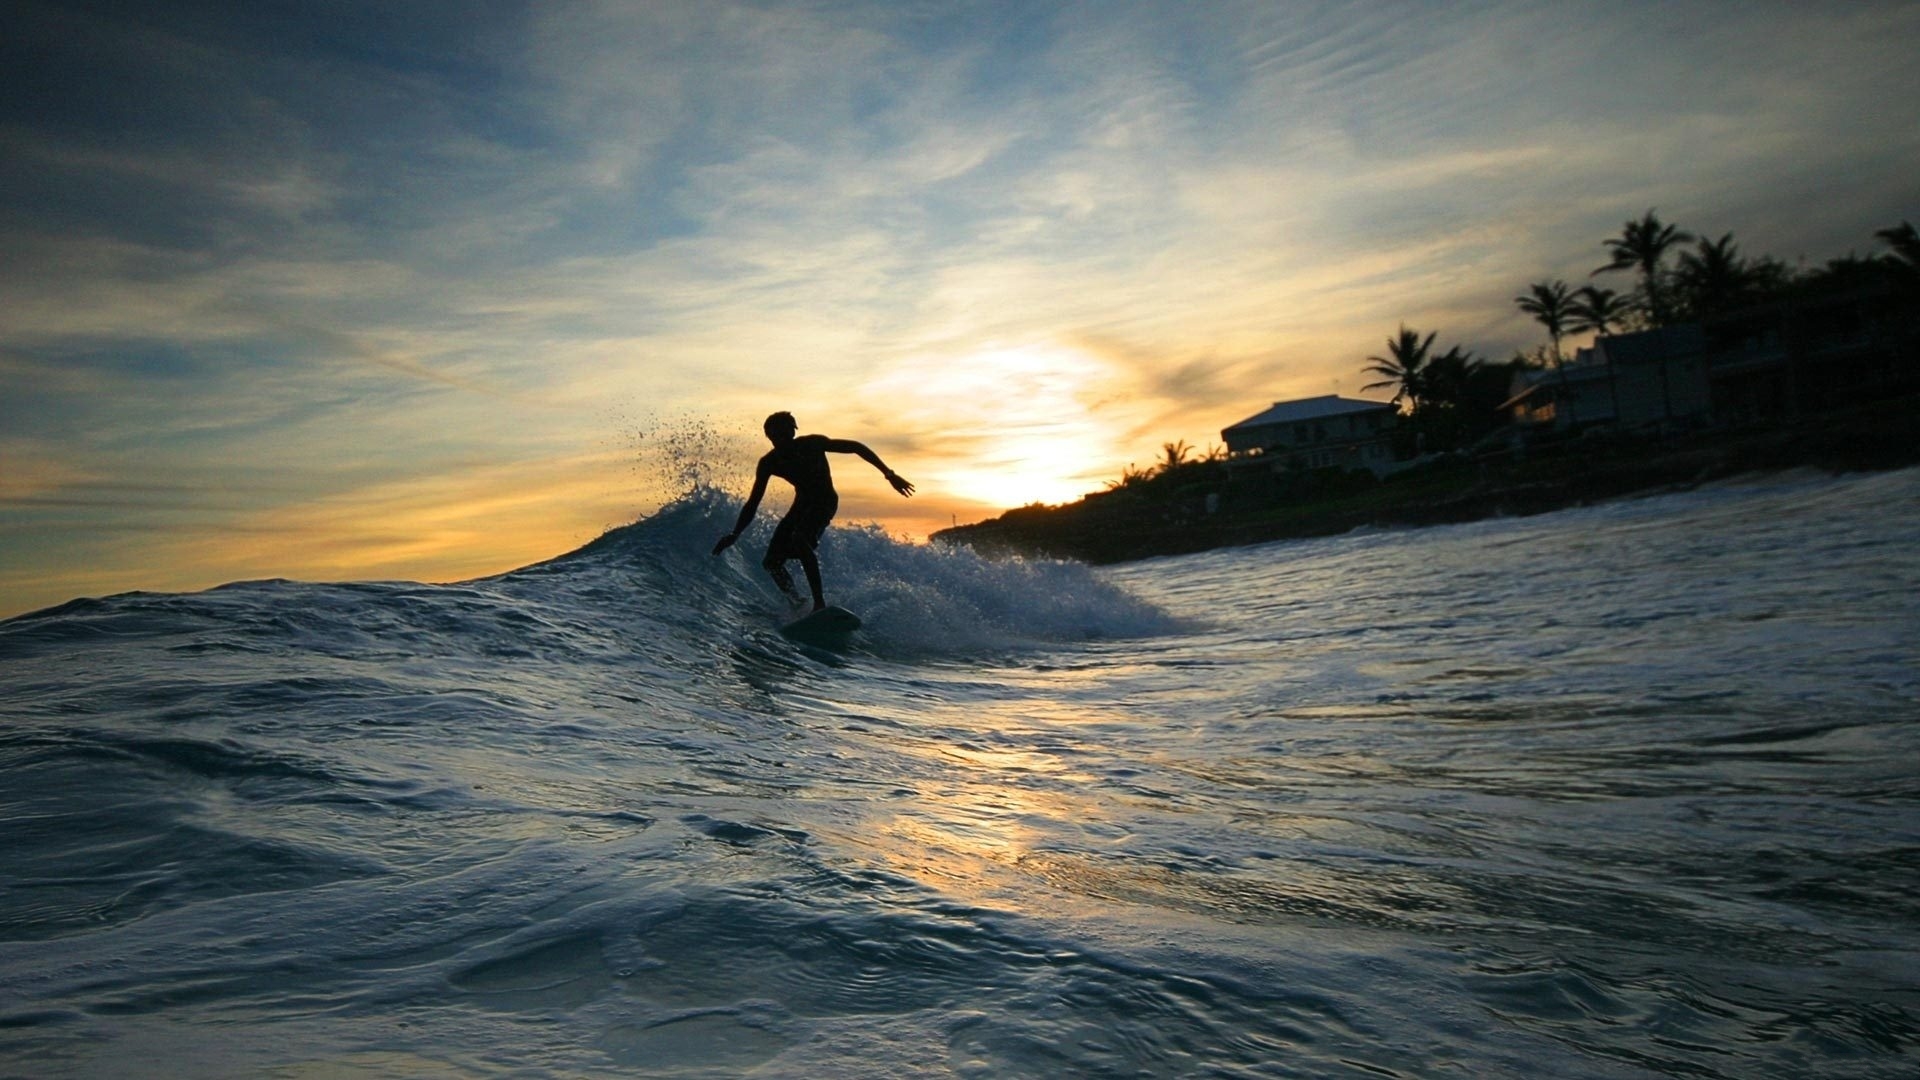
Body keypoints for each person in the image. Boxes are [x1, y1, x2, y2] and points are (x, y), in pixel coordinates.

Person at [712, 411, 913, 611]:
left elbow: (855, 447)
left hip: (825, 500)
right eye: (775, 435)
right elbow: (753, 502)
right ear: (769, 436)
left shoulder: (812, 444)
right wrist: (735, 533)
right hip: (801, 505)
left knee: (800, 540)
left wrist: (889, 474)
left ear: (792, 432)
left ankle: (819, 602)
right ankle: (797, 602)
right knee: (771, 562)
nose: (781, 439)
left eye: (785, 432)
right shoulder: (770, 462)